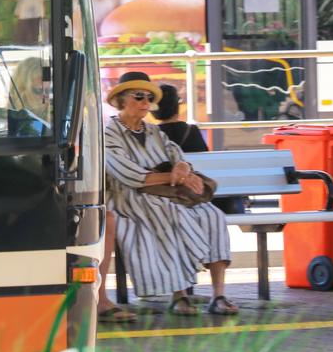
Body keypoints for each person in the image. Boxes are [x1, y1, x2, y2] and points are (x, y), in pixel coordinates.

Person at [103, 71, 238, 316]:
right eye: (139, 97)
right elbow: (131, 176)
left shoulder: (154, 132)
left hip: (167, 193)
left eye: (149, 99)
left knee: (212, 215)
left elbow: (176, 154)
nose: (146, 103)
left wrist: (183, 169)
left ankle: (218, 295)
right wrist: (175, 176)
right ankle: (180, 295)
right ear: (122, 100)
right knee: (168, 213)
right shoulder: (109, 133)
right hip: (131, 197)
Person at [154, 83, 245, 215]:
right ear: (177, 106)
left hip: (165, 195)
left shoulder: (153, 135)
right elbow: (206, 164)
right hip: (196, 194)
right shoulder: (192, 131)